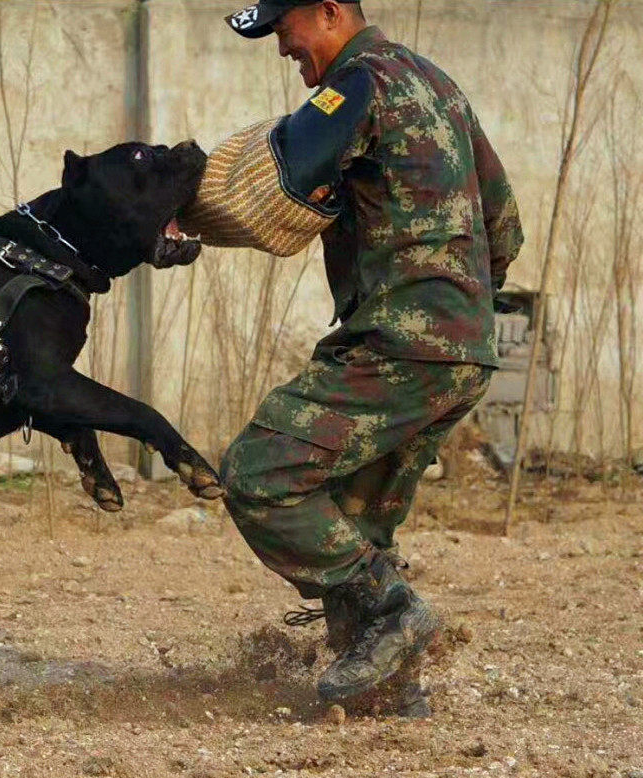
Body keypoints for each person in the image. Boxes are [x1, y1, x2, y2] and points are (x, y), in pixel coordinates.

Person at [190, 0, 524, 709]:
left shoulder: (356, 84)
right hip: (464, 348)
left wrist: (174, 211)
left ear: (332, 11)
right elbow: (505, 224)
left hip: (400, 343)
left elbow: (276, 173)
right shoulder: (437, 85)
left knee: (260, 471)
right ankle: (386, 687)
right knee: (353, 515)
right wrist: (460, 309)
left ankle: (395, 613)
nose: (284, 50)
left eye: (285, 31)